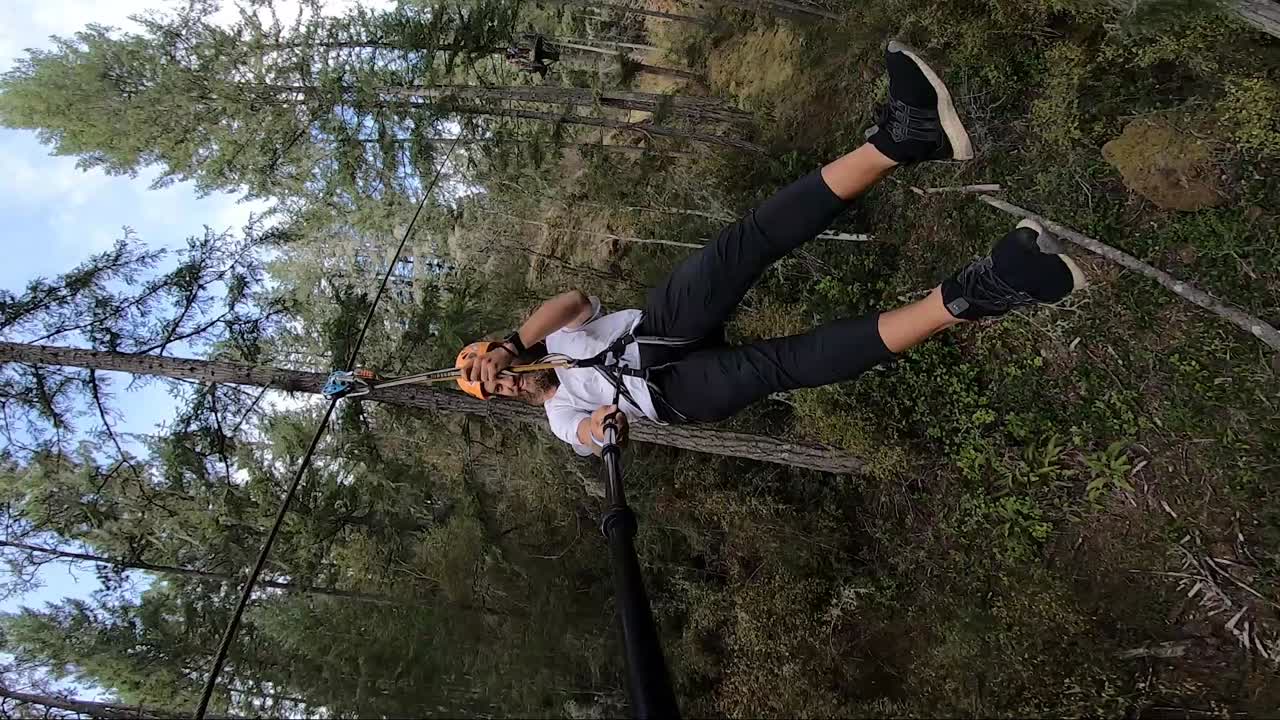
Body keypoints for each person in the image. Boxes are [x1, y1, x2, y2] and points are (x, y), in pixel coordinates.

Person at [458, 40, 1086, 456]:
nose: (506, 384)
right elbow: (591, 433)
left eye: (494, 373)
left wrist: (513, 343)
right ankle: (979, 294)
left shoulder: (551, 339)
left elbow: (571, 299)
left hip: (657, 328)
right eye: (496, 392)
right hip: (672, 395)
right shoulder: (560, 417)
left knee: (745, 241)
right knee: (781, 364)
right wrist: (602, 428)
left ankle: (906, 139)